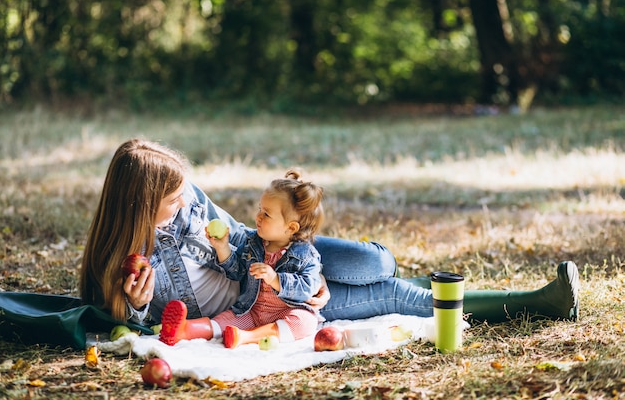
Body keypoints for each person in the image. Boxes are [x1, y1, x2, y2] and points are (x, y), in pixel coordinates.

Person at [79, 139, 580, 343]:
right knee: (397, 297)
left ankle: (360, 268)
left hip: (276, 251)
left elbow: (238, 236)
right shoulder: (127, 264)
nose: (186, 201)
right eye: (173, 198)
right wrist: (138, 308)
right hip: (267, 304)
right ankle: (538, 303)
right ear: (140, 204)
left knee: (375, 264)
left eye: (186, 191)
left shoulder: (186, 199)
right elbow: (126, 323)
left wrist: (303, 274)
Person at [159, 169, 325, 348]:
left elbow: (308, 288)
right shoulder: (253, 243)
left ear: (291, 228)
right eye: (260, 209)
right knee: (223, 320)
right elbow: (236, 272)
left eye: (266, 214)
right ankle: (186, 329)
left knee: (305, 322)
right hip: (251, 311)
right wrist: (222, 248)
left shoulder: (306, 255)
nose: (258, 217)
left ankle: (246, 337)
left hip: (286, 311)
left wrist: (275, 279)